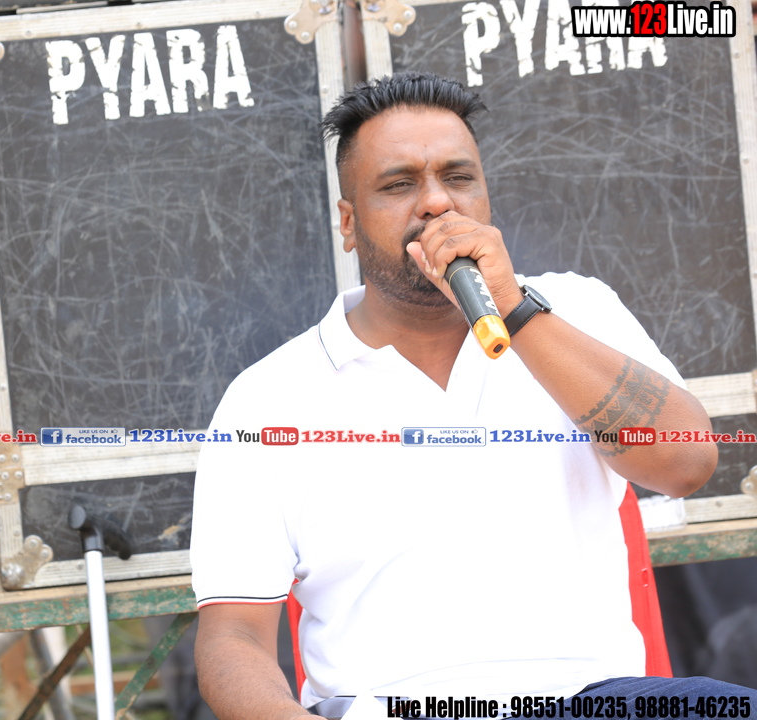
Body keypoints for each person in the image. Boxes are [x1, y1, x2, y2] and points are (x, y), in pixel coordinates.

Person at [188, 72, 745, 719]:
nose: (436, 203)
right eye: (399, 184)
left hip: (589, 701)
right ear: (348, 223)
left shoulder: (577, 309)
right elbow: (233, 636)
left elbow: (686, 462)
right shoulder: (267, 399)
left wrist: (514, 308)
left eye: (458, 178)